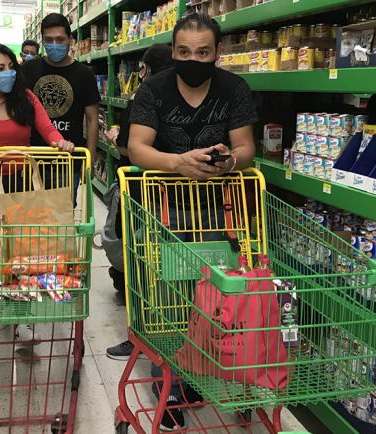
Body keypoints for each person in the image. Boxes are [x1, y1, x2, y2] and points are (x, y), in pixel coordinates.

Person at [126, 13, 258, 431]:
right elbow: (136, 148)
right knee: (168, 294)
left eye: (203, 52)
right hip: (164, 205)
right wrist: (178, 162)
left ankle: (196, 368)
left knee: (210, 293)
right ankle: (168, 375)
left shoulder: (234, 89)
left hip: (220, 211)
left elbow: (246, 148)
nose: (193, 59)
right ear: (174, 51)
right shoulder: (154, 89)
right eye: (184, 52)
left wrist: (229, 161)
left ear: (217, 53)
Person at [103, 43, 173, 361]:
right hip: (176, 197)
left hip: (141, 192)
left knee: (139, 262)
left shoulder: (145, 97)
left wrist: (115, 137)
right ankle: (171, 332)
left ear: (147, 69)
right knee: (167, 267)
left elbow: (131, 149)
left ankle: (141, 335)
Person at [0, 42, 73, 195]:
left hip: (21, 179)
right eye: (1, 69)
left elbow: (48, 130)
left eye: (11, 66)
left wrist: (60, 142)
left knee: (21, 219)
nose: (9, 72)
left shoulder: (26, 97)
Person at [21, 13, 101, 199]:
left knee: (62, 218)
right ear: (42, 40)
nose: (54, 45)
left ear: (70, 40)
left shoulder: (84, 74)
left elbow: (91, 119)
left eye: (60, 39)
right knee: (27, 216)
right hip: (30, 159)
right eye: (49, 40)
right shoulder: (28, 70)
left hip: (67, 160)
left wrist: (89, 159)